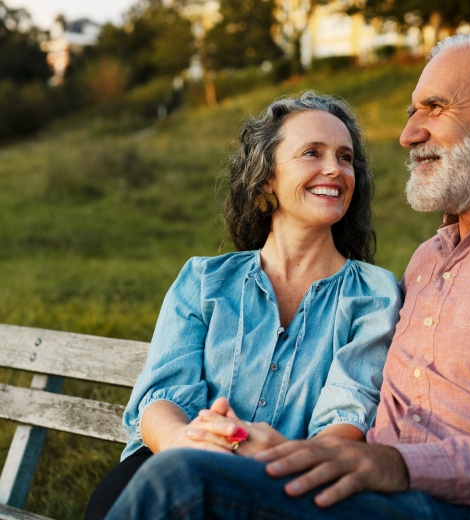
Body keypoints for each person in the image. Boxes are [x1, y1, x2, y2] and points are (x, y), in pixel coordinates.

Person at [104, 31, 470, 520]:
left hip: (458, 505)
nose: (407, 133)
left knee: (184, 484)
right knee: (167, 478)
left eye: (434, 108)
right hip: (361, 495)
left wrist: (394, 465)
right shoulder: (429, 260)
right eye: (411, 111)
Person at [85, 91, 402, 518]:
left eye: (345, 158)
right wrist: (184, 444)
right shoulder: (204, 280)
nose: (335, 169)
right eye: (312, 152)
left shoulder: (373, 293)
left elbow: (347, 419)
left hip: (287, 479)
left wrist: (269, 452)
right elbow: (160, 397)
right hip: (173, 461)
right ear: (267, 177)